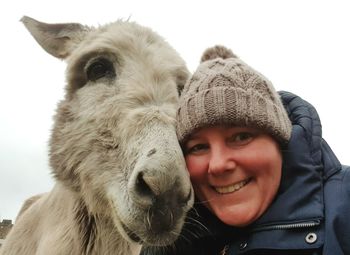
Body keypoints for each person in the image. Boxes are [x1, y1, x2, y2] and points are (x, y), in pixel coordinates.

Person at [141, 46, 350, 255]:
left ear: (280, 140)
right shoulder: (171, 244)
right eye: (199, 147)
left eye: (241, 137)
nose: (218, 164)